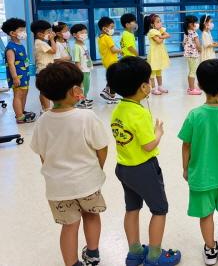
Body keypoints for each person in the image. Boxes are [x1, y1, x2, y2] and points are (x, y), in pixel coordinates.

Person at [31, 62, 109, 266]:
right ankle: (92, 253)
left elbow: (42, 154)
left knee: (69, 226)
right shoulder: (86, 117)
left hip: (58, 187)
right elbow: (102, 147)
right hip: (88, 183)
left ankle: (71, 263)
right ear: (75, 90)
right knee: (91, 216)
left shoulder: (42, 121)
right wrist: (97, 168)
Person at [107, 57, 181, 266]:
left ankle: (134, 252)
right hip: (143, 168)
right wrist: (158, 132)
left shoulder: (118, 109)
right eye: (148, 81)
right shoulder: (139, 113)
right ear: (142, 87)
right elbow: (149, 145)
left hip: (123, 167)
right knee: (159, 210)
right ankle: (154, 257)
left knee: (132, 208)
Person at [178, 59, 218, 265]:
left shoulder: (195, 115)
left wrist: (185, 168)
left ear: (199, 84)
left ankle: (210, 249)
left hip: (200, 175)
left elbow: (186, 145)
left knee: (205, 214)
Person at [2, 18, 35, 123]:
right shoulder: (11, 47)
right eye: (21, 30)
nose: (24, 33)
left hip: (24, 73)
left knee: (24, 92)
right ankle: (19, 116)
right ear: (12, 33)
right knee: (18, 94)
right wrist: (15, 77)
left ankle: (21, 112)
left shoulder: (20, 45)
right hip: (17, 75)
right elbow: (11, 64)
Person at [32, 19, 57, 113]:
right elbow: (54, 51)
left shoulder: (39, 42)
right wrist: (52, 39)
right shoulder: (40, 43)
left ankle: (44, 108)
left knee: (43, 91)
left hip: (43, 70)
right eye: (48, 32)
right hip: (44, 70)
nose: (50, 33)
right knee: (45, 91)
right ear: (40, 34)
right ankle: (47, 109)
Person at [144, 14, 171, 95]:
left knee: (159, 71)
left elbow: (168, 35)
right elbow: (158, 41)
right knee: (152, 72)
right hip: (154, 54)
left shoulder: (160, 30)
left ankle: (160, 86)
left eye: (160, 21)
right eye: (158, 22)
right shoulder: (152, 31)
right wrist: (162, 36)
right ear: (152, 24)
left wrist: (161, 36)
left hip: (160, 53)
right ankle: (153, 88)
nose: (160, 23)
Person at [97, 16, 120, 104]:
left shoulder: (100, 37)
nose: (112, 29)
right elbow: (113, 49)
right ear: (104, 28)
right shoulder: (107, 37)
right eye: (111, 27)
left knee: (112, 78)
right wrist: (121, 51)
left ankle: (109, 94)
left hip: (106, 60)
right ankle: (107, 93)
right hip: (111, 61)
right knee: (114, 79)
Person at [70, 24, 94, 110]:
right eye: (81, 32)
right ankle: (79, 102)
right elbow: (77, 61)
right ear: (74, 35)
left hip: (86, 69)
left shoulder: (83, 44)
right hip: (82, 70)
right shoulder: (76, 47)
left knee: (87, 85)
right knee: (82, 86)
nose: (84, 34)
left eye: (85, 32)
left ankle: (84, 98)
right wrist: (79, 72)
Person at [182, 15, 202, 95]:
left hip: (188, 55)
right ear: (190, 24)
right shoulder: (194, 33)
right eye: (196, 22)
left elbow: (183, 43)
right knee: (193, 72)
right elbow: (198, 44)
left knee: (191, 71)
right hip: (193, 55)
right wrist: (200, 50)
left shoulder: (186, 33)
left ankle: (190, 87)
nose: (197, 24)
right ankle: (192, 89)